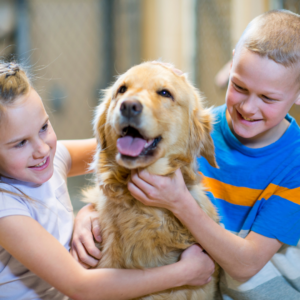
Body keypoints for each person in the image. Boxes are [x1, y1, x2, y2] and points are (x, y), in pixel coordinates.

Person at [72, 9, 300, 300]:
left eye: (267, 98)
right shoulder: (197, 126)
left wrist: (179, 201)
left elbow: (246, 265)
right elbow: (108, 163)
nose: (248, 108)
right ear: (231, 66)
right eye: (239, 87)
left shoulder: (296, 163)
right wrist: (91, 212)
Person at [0, 62, 215, 300]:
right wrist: (184, 272)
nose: (41, 149)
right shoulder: (5, 206)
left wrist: (89, 211)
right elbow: (80, 287)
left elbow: (113, 143)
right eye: (20, 143)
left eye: (44, 127)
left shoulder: (52, 156)